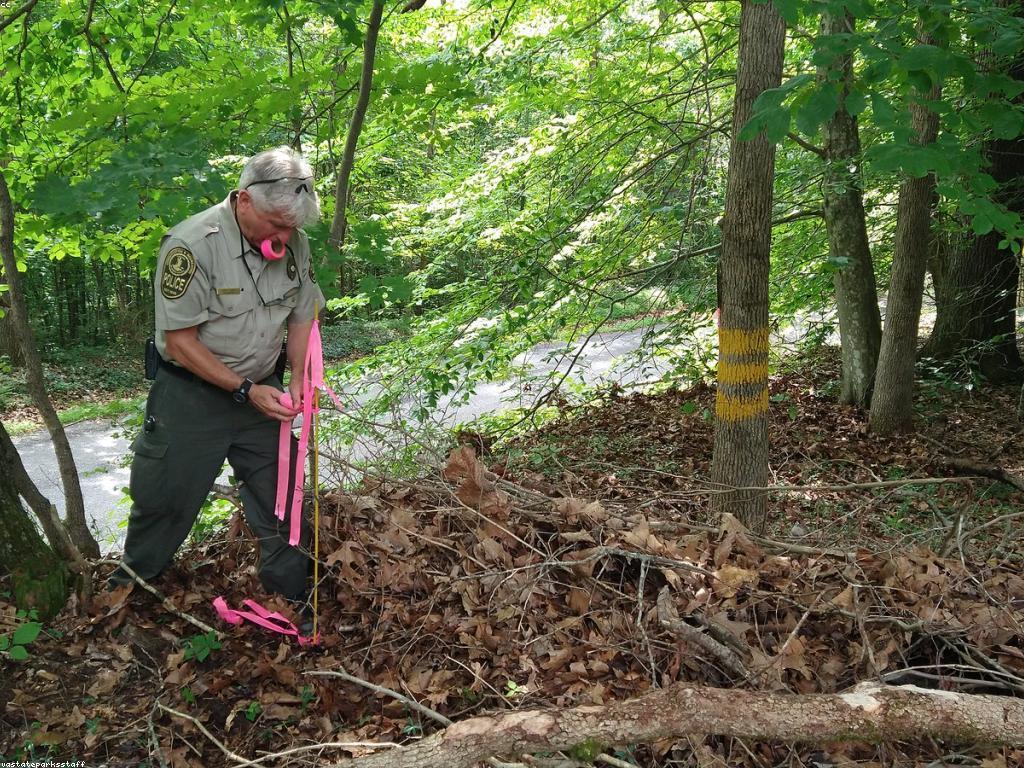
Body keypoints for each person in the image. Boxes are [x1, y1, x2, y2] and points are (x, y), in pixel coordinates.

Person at [109, 147, 325, 622]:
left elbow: (302, 313)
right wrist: (244, 389)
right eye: (276, 224)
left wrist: (300, 378)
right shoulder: (192, 246)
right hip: (191, 397)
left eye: (293, 228)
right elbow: (180, 340)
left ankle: (292, 599)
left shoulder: (294, 242)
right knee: (164, 500)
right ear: (244, 200)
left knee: (281, 499)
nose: (285, 237)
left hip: (261, 398)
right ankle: (129, 595)